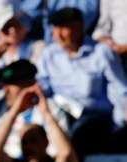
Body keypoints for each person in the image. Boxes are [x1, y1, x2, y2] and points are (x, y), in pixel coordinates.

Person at [36, 7, 127, 154]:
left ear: (78, 27)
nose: (58, 35)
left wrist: (118, 125)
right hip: (60, 115)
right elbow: (43, 86)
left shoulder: (101, 53)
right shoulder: (49, 54)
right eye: (55, 29)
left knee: (83, 134)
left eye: (63, 29)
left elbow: (120, 90)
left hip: (95, 120)